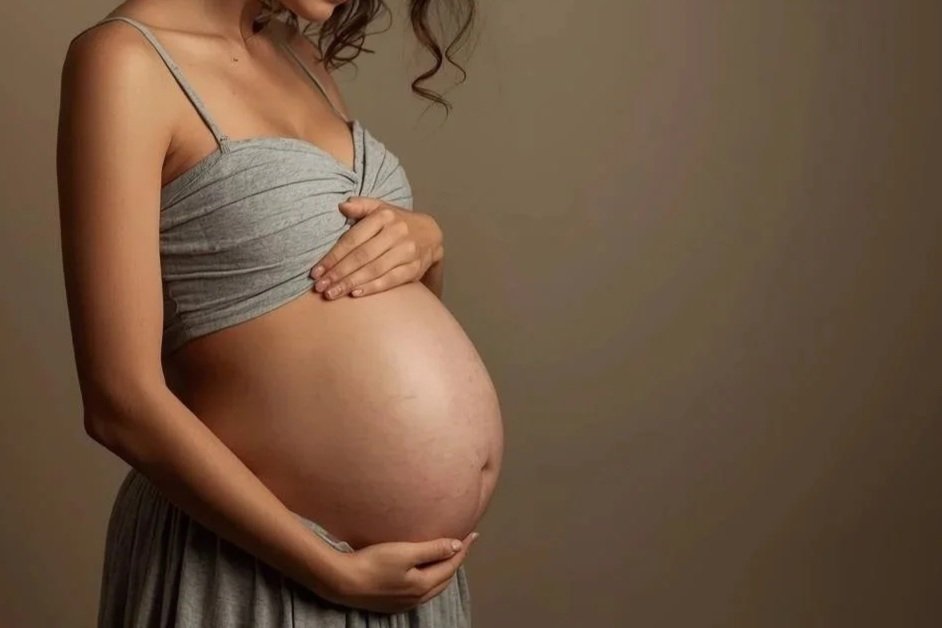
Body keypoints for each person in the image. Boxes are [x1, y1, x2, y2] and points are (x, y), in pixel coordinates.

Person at [57, 0, 503, 626]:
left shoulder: (300, 52)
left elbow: (342, 310)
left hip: (401, 585)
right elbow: (117, 400)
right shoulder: (125, 61)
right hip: (260, 568)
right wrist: (330, 569)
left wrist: (425, 246)